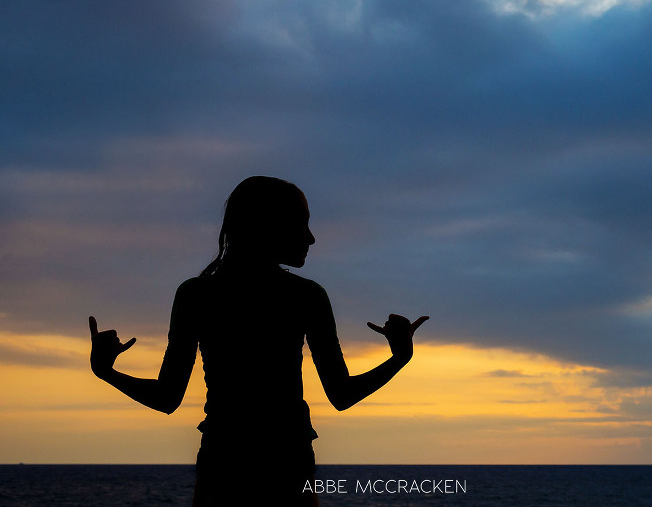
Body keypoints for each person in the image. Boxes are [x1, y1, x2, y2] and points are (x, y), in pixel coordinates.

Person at [89, 176, 428, 506]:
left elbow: (166, 398)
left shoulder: (196, 295)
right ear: (270, 226)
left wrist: (107, 373)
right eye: (302, 223)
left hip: (223, 464)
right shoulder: (306, 296)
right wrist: (399, 358)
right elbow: (341, 395)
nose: (311, 238)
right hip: (287, 464)